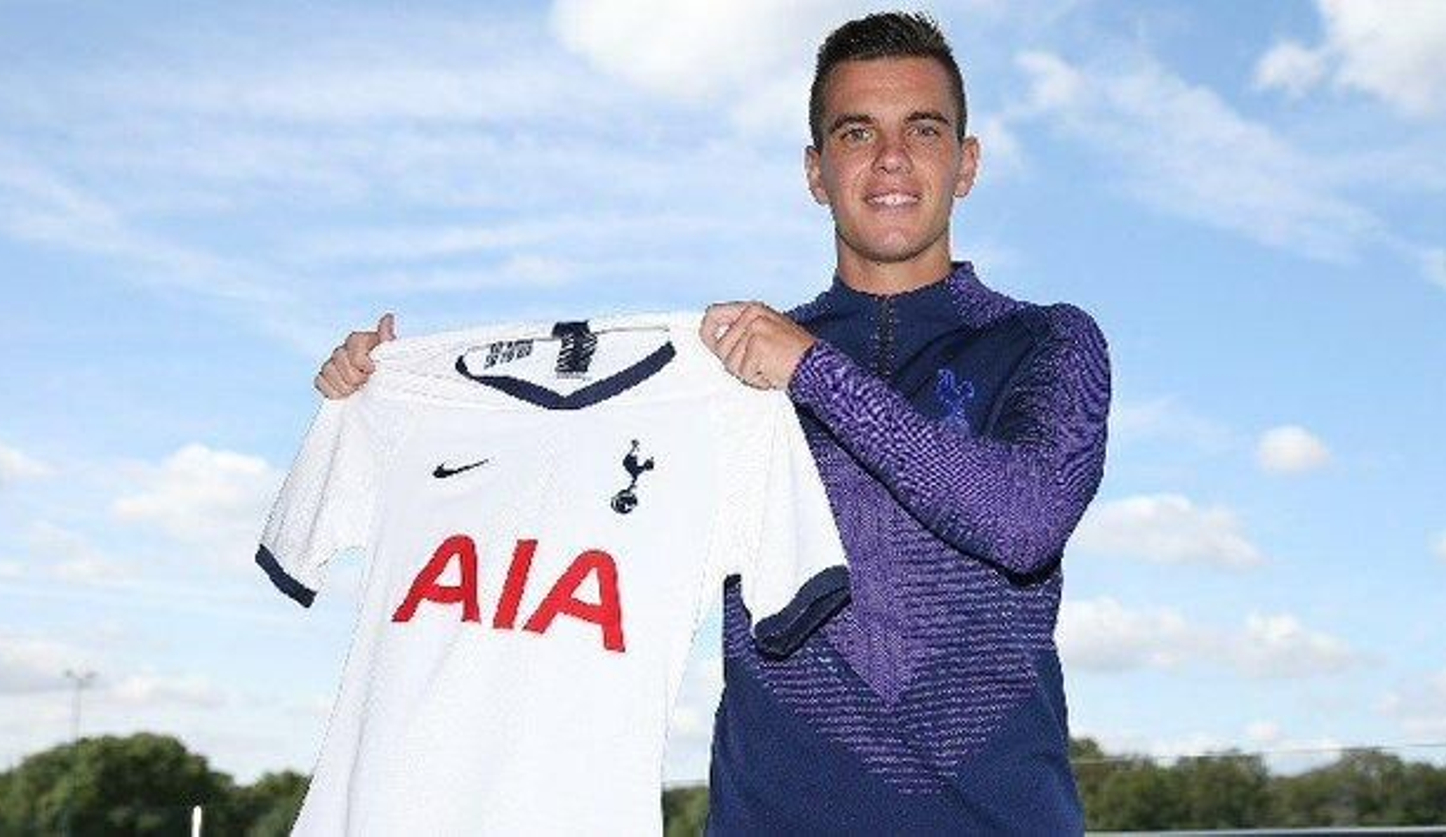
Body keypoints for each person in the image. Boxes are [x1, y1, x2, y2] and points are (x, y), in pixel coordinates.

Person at [314, 11, 1109, 835]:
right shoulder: (719, 377)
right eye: (856, 132)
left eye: (925, 129)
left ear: (967, 162)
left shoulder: (1048, 339)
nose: (892, 159)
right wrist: (397, 403)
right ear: (814, 170)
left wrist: (812, 370)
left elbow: (1025, 519)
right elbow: (557, 479)